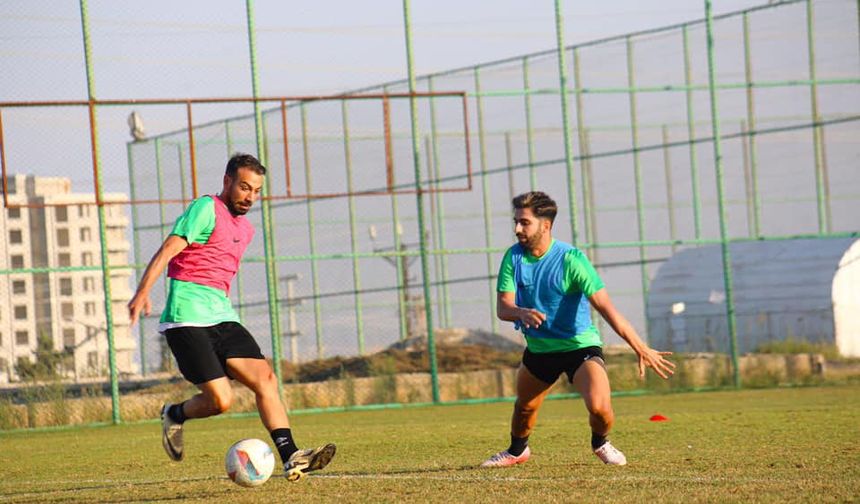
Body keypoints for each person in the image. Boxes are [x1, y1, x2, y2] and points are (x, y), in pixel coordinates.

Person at [128, 153, 336, 481]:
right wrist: (143, 292)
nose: (250, 196)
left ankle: (290, 455)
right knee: (221, 401)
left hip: (222, 315)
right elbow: (168, 249)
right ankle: (174, 413)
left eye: (255, 191)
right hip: (186, 318)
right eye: (243, 187)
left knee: (266, 378)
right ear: (227, 182)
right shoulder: (205, 208)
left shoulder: (246, 229)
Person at [480, 191, 675, 468]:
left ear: (545, 225)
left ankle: (600, 442)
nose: (517, 229)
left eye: (524, 223)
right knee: (524, 407)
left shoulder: (571, 260)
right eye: (516, 222)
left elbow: (607, 309)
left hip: (579, 348)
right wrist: (520, 312)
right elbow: (503, 308)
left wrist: (640, 347)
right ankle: (517, 451)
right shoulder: (513, 258)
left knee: (599, 408)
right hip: (539, 349)